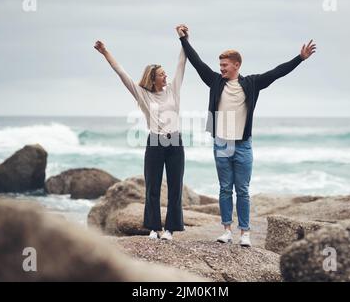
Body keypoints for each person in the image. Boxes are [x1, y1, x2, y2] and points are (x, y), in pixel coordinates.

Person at [176, 24, 316, 246]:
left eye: (224, 65)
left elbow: (276, 73)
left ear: (236, 65)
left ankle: (245, 233)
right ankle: (226, 231)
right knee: (224, 189)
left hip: (243, 145)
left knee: (242, 189)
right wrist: (184, 39)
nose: (221, 68)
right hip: (221, 143)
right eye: (220, 65)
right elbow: (196, 62)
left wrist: (299, 58)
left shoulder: (251, 83)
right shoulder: (214, 81)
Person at [94, 28, 188, 240]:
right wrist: (105, 52)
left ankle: (170, 230)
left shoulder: (173, 90)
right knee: (152, 188)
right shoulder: (142, 94)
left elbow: (182, 64)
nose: (166, 76)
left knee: (175, 188)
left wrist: (184, 40)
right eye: (162, 74)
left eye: (165, 73)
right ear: (153, 78)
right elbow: (121, 73)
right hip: (154, 142)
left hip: (175, 141)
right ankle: (154, 228)